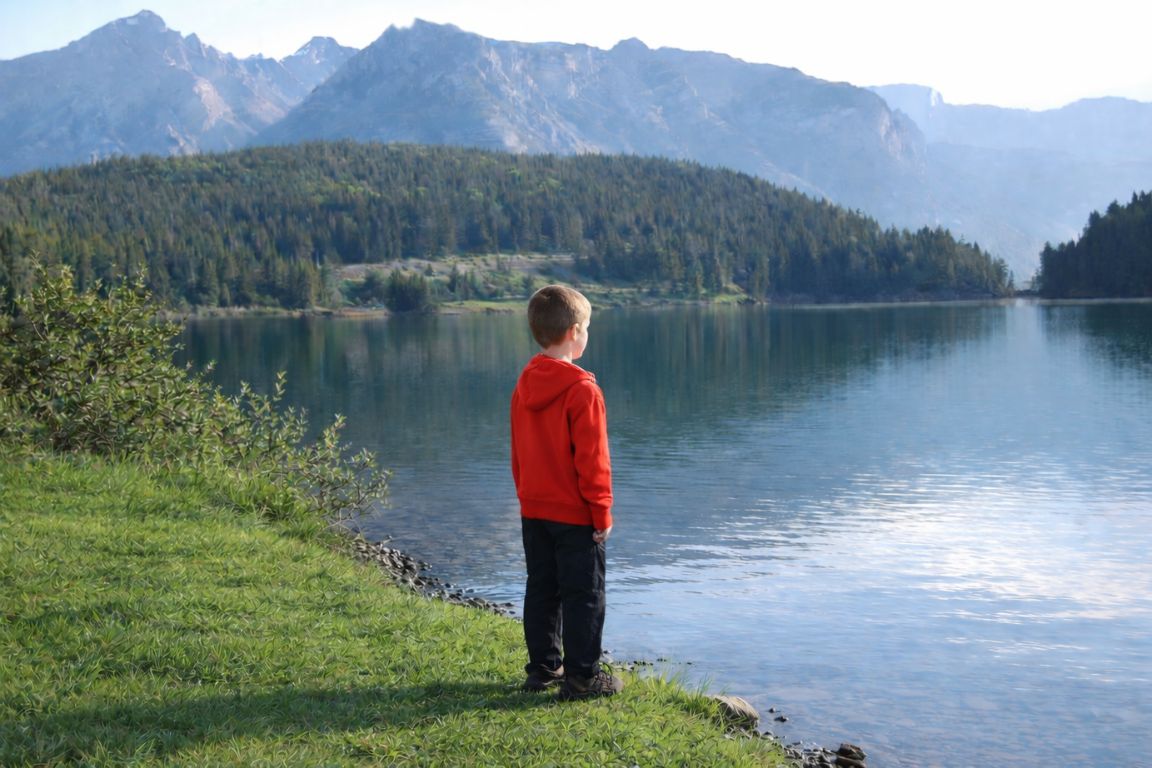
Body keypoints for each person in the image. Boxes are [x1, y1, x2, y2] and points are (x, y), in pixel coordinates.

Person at [510, 284, 624, 700]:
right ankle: (582, 678)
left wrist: (526, 496)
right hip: (575, 514)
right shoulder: (583, 391)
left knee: (542, 587)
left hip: (534, 509)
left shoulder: (525, 383)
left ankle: (542, 669)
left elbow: (518, 450)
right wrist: (602, 513)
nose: (588, 334)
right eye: (588, 327)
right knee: (585, 594)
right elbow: (593, 461)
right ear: (575, 332)